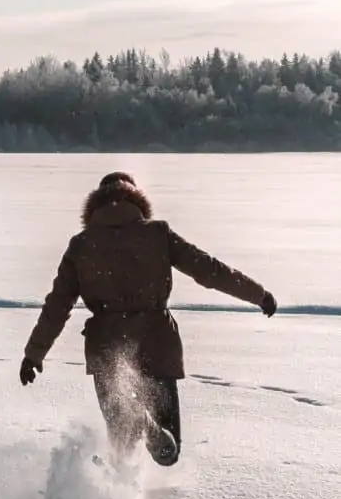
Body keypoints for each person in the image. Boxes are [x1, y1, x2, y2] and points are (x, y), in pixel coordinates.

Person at [19, 172, 277, 467]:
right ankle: (151, 427)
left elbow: (57, 305)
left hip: (107, 347)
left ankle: (110, 493)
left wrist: (33, 354)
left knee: (121, 446)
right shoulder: (157, 234)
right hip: (156, 342)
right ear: (137, 200)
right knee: (168, 451)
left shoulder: (82, 245)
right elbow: (209, 269)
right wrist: (258, 294)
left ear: (95, 206)